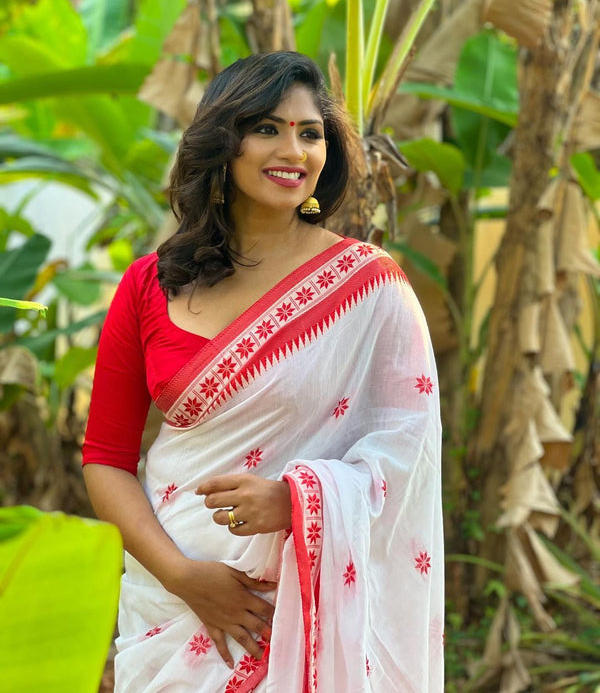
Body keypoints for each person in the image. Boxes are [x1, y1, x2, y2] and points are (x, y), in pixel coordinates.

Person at [82, 51, 444, 693]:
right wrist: (182, 577)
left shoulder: (368, 289)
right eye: (268, 128)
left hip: (298, 604)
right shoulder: (149, 284)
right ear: (224, 140)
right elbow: (106, 458)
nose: (295, 150)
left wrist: (298, 502)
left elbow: (406, 451)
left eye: (311, 133)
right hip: (173, 604)